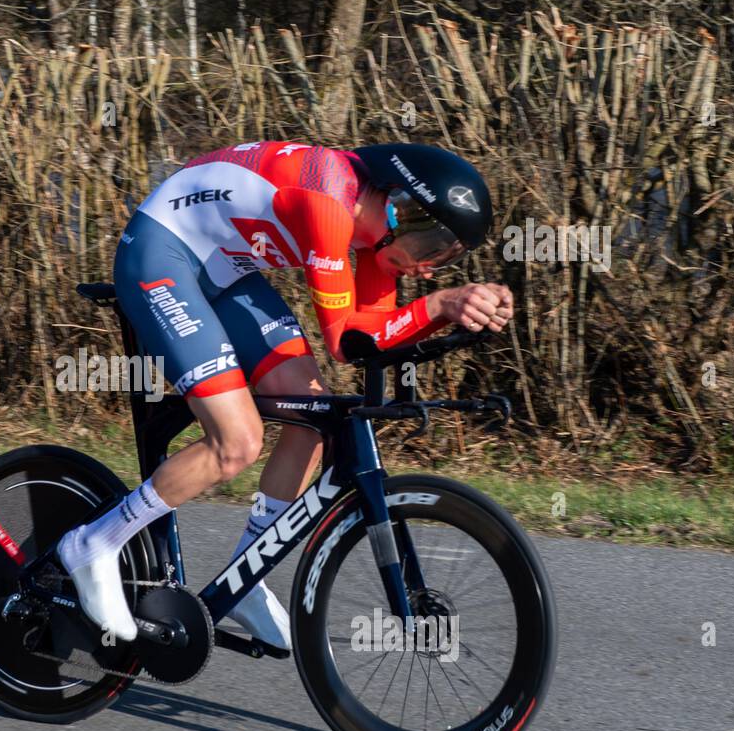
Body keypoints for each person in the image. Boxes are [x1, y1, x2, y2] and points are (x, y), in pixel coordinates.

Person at [57, 141, 513, 648]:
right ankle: (92, 544)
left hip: (224, 270)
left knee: (311, 417)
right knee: (237, 442)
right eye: (434, 248)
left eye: (446, 259)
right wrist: (441, 305)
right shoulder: (328, 204)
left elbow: (373, 339)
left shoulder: (376, 241)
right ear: (401, 210)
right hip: (161, 254)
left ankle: (246, 579)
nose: (430, 268)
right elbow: (343, 339)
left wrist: (457, 316)